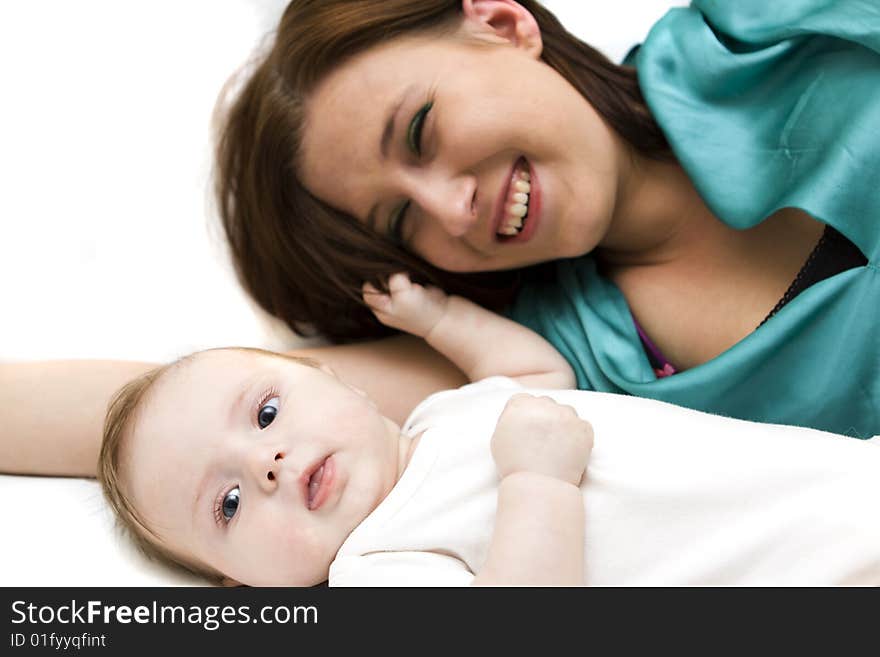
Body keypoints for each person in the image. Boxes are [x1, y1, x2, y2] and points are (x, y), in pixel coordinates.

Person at [2, 0, 878, 479]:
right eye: (401, 222)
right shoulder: (557, 361)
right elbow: (174, 409)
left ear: (501, 24)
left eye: (420, 130)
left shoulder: (765, 29)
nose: (451, 208)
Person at [98, 277, 880, 586]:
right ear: (245, 587)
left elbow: (540, 381)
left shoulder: (443, 415)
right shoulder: (378, 566)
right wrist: (536, 483)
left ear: (336, 379)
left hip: (839, 484)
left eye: (267, 413)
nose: (265, 462)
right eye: (228, 504)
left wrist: (442, 320)